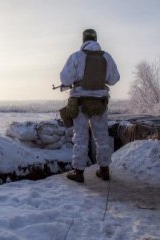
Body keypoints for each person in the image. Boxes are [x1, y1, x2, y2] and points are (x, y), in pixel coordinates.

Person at [60, 29, 120, 183]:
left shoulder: (76, 56)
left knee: (80, 137)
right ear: (96, 40)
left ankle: (78, 172)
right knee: (102, 137)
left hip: (80, 101)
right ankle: (104, 170)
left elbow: (65, 78)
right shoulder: (106, 57)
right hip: (100, 103)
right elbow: (114, 79)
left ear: (83, 40)